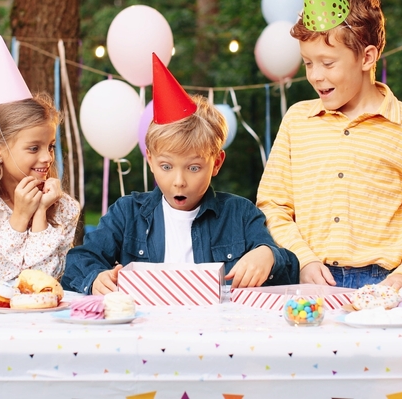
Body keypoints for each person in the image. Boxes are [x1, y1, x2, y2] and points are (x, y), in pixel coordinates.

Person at [257, 0, 402, 291]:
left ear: (367, 57)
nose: (315, 75)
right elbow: (272, 205)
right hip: (309, 282)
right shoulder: (296, 121)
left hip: (384, 286)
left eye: (328, 63)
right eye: (308, 63)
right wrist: (302, 258)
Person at [62, 54, 299, 295]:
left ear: (216, 163)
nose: (179, 182)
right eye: (166, 166)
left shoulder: (240, 214)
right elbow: (78, 261)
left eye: (194, 168)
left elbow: (290, 268)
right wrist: (96, 278)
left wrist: (269, 255)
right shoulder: (127, 213)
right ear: (151, 162)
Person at [0, 36, 80, 283]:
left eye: (51, 146)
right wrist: (18, 219)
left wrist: (40, 215)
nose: (47, 157)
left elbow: (43, 279)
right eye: (34, 148)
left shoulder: (64, 207)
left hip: (42, 316)